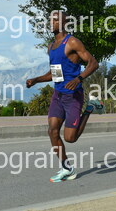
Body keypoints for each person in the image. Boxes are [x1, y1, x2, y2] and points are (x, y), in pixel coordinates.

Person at [26, 11, 99, 182]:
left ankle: (90, 108)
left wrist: (79, 78)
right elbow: (55, 73)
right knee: (52, 131)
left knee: (70, 138)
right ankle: (67, 168)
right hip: (58, 95)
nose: (51, 23)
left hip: (73, 95)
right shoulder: (51, 46)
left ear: (64, 22)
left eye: (55, 20)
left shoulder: (72, 42)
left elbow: (93, 63)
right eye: (50, 20)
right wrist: (36, 80)